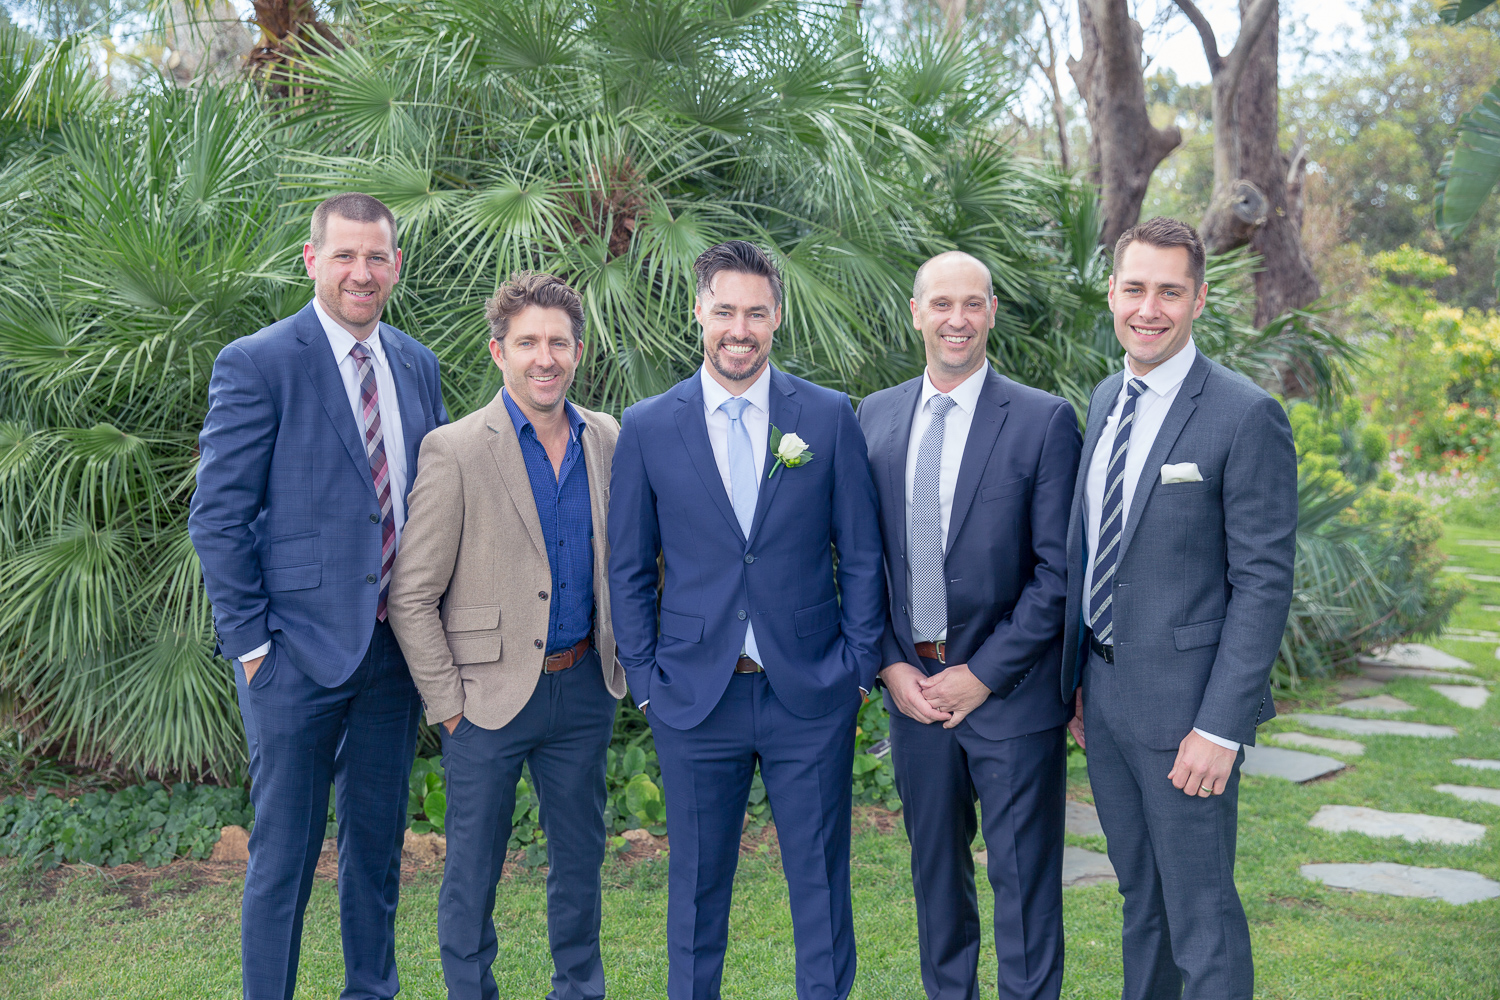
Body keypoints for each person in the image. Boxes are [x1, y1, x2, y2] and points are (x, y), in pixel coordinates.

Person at [607, 240, 886, 1000]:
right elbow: (629, 567)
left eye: (756, 313)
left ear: (777, 318)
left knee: (821, 887)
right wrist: (647, 682)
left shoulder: (825, 416)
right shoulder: (648, 425)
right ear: (698, 313)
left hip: (811, 692)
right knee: (697, 890)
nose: (740, 329)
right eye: (725, 311)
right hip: (695, 696)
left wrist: (858, 670)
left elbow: (861, 554)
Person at [188, 193, 449, 1000]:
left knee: (375, 854)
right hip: (292, 658)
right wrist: (253, 649)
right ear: (312, 260)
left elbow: (431, 504)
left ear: (395, 266)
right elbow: (217, 517)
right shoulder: (259, 362)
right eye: (344, 255)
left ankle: (372, 989)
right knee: (284, 859)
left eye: (376, 257)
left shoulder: (417, 364)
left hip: (392, 654)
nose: (360, 272)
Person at [1060, 217, 1297, 1000]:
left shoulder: (1244, 414)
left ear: (1198, 299)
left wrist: (1220, 728)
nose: (1148, 308)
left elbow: (1263, 583)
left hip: (1190, 717)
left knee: (1201, 917)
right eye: (1134, 289)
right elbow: (1097, 549)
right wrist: (1081, 681)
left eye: (1169, 291)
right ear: (1111, 293)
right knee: (1143, 903)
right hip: (1106, 702)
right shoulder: (1107, 397)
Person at [387, 273, 624, 1000]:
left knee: (579, 864)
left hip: (584, 687)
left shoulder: (607, 438)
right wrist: (449, 706)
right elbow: (412, 594)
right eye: (527, 343)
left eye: (558, 342)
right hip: (485, 700)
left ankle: (578, 989)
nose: (543, 358)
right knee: (472, 870)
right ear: (499, 351)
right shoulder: (455, 449)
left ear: (578, 351)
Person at [855, 251, 1081, 1000]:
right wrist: (891, 665)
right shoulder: (874, 415)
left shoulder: (1043, 420)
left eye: (973, 304)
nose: (958, 319)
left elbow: (1058, 573)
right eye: (942, 304)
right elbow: (861, 558)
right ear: (916, 313)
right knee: (937, 886)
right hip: (913, 695)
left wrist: (982, 675)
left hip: (1011, 698)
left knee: (1025, 892)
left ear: (991, 313)